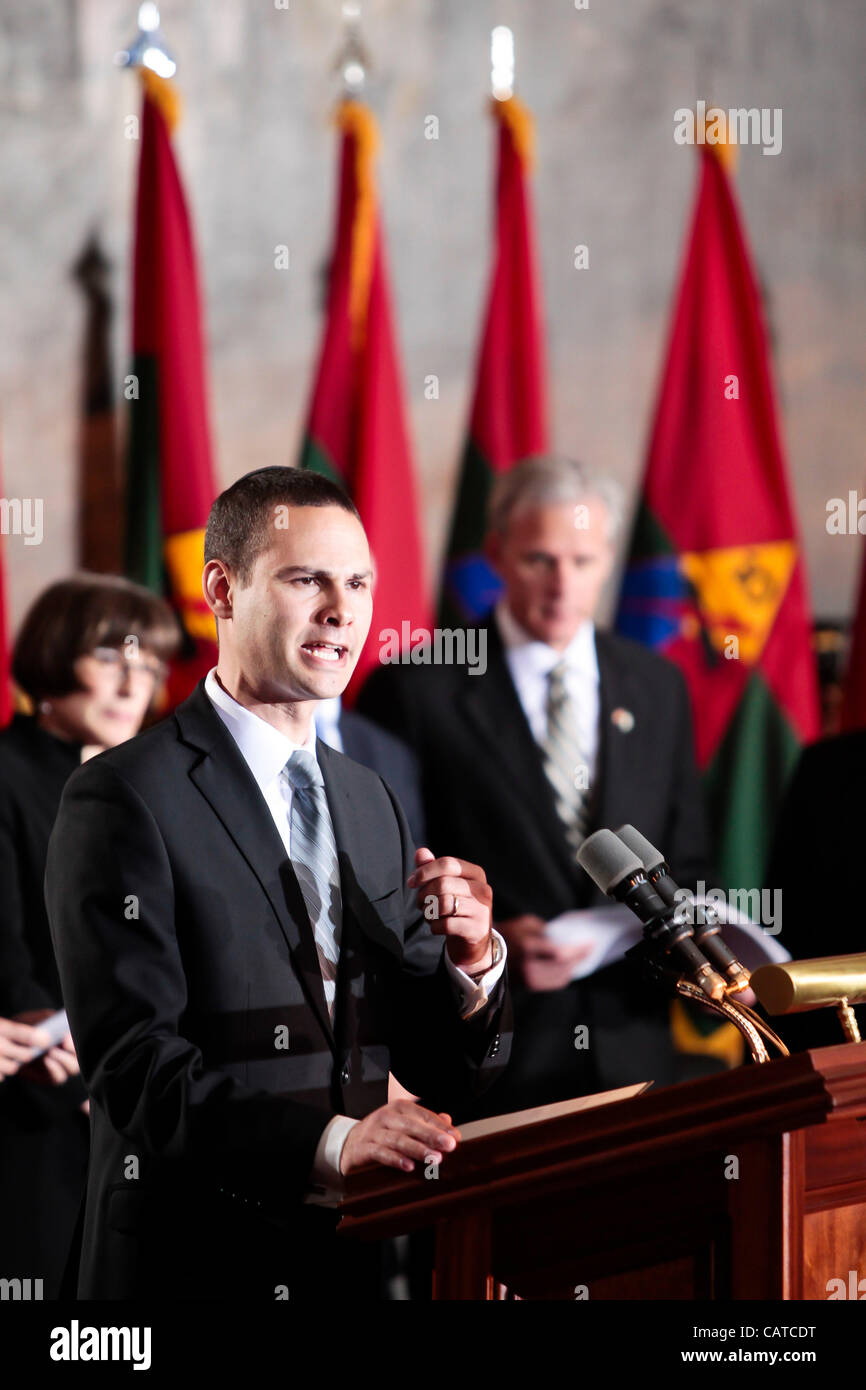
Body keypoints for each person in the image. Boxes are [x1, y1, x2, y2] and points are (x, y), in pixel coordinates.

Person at [46, 467, 510, 1301]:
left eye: (360, 583)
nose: (343, 611)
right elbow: (134, 1067)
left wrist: (471, 965)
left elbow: (436, 1066)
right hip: (188, 1263)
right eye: (308, 580)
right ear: (222, 588)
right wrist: (333, 1145)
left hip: (350, 1260)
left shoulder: (371, 797)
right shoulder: (122, 797)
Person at [359, 455, 722, 1113]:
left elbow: (690, 862)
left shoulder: (657, 686)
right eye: (539, 560)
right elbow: (383, 882)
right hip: (489, 1064)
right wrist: (483, 943)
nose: (562, 584)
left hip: (636, 1057)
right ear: (496, 554)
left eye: (582, 562)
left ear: (610, 559)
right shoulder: (416, 689)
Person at [0, 573, 179, 1298]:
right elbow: (8, 955)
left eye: (150, 663)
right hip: (34, 1116)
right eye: (110, 656)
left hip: (142, 1115)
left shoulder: (149, 786)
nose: (132, 681)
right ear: (54, 656)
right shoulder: (7, 775)